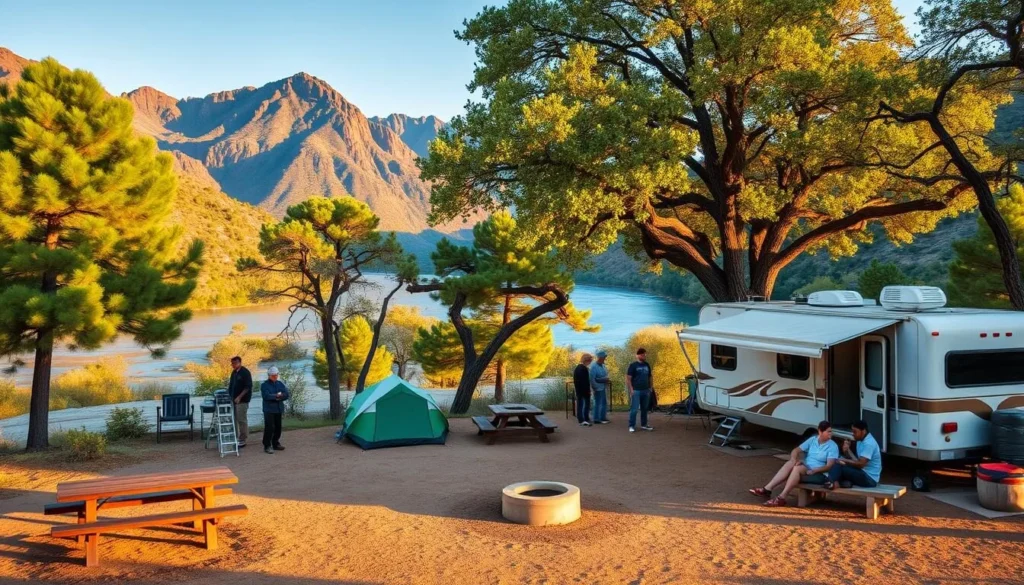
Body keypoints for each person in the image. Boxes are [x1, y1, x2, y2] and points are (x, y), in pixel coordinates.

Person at [750, 420, 839, 507]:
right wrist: (793, 459)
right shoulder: (813, 439)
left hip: (820, 473)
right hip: (808, 468)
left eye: (831, 431)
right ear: (820, 431)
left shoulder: (832, 446)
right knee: (790, 464)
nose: (830, 434)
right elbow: (796, 450)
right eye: (828, 432)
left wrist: (815, 470)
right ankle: (767, 489)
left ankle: (782, 497)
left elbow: (829, 466)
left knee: (796, 469)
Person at [825, 420, 882, 489]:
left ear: (863, 431)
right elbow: (855, 460)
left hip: (870, 479)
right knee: (839, 460)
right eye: (852, 431)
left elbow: (860, 464)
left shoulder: (869, 443)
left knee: (839, 465)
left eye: (855, 432)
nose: (853, 434)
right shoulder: (860, 440)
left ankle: (830, 482)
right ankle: (843, 483)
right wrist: (847, 450)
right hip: (863, 472)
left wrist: (843, 460)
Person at [260, 366, 290, 454]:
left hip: (278, 409)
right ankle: (267, 445)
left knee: (278, 427)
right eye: (273, 375)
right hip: (269, 410)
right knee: (269, 428)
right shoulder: (264, 385)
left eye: (276, 375)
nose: (275, 377)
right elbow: (266, 396)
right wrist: (276, 396)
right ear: (269, 375)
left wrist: (278, 397)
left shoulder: (280, 384)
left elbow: (286, 394)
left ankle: (275, 443)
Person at [626, 348, 654, 433]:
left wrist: (651, 387)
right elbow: (628, 378)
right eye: (642, 354)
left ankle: (644, 425)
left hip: (645, 390)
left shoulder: (647, 365)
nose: (644, 356)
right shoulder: (633, 365)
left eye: (645, 354)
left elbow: (650, 377)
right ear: (638, 355)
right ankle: (631, 425)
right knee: (634, 409)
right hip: (636, 390)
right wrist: (631, 389)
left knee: (644, 408)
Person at [227, 356, 253, 448]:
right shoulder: (234, 373)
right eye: (232, 363)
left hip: (242, 401)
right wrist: (229, 395)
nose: (233, 365)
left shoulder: (245, 372)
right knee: (235, 419)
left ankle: (243, 439)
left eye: (234, 363)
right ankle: (236, 437)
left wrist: (239, 397)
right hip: (233, 400)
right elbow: (231, 385)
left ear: (239, 362)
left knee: (241, 419)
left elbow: (248, 387)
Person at [590, 350, 610, 424]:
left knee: (604, 403)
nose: (605, 358)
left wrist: (606, 379)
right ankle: (596, 419)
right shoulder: (593, 366)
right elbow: (592, 379)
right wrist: (595, 388)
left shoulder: (603, 365)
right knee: (598, 403)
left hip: (603, 387)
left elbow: (606, 374)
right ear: (600, 357)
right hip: (598, 388)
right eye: (604, 357)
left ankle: (603, 417)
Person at [573, 353, 593, 426]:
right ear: (587, 360)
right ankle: (583, 419)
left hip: (578, 389)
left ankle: (583, 418)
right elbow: (585, 381)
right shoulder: (583, 369)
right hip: (583, 390)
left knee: (580, 404)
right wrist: (588, 390)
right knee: (584, 404)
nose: (590, 362)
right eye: (590, 361)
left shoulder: (578, 368)